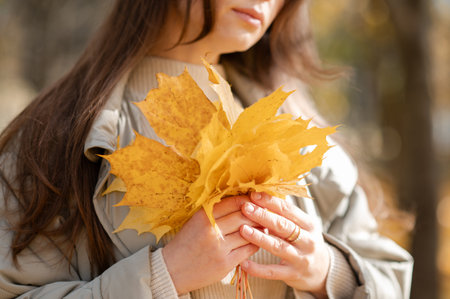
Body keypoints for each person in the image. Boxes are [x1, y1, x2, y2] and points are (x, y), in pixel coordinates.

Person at [0, 1, 413, 298]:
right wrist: (164, 276)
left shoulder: (299, 130)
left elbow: (390, 274)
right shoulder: (51, 139)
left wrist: (327, 271)